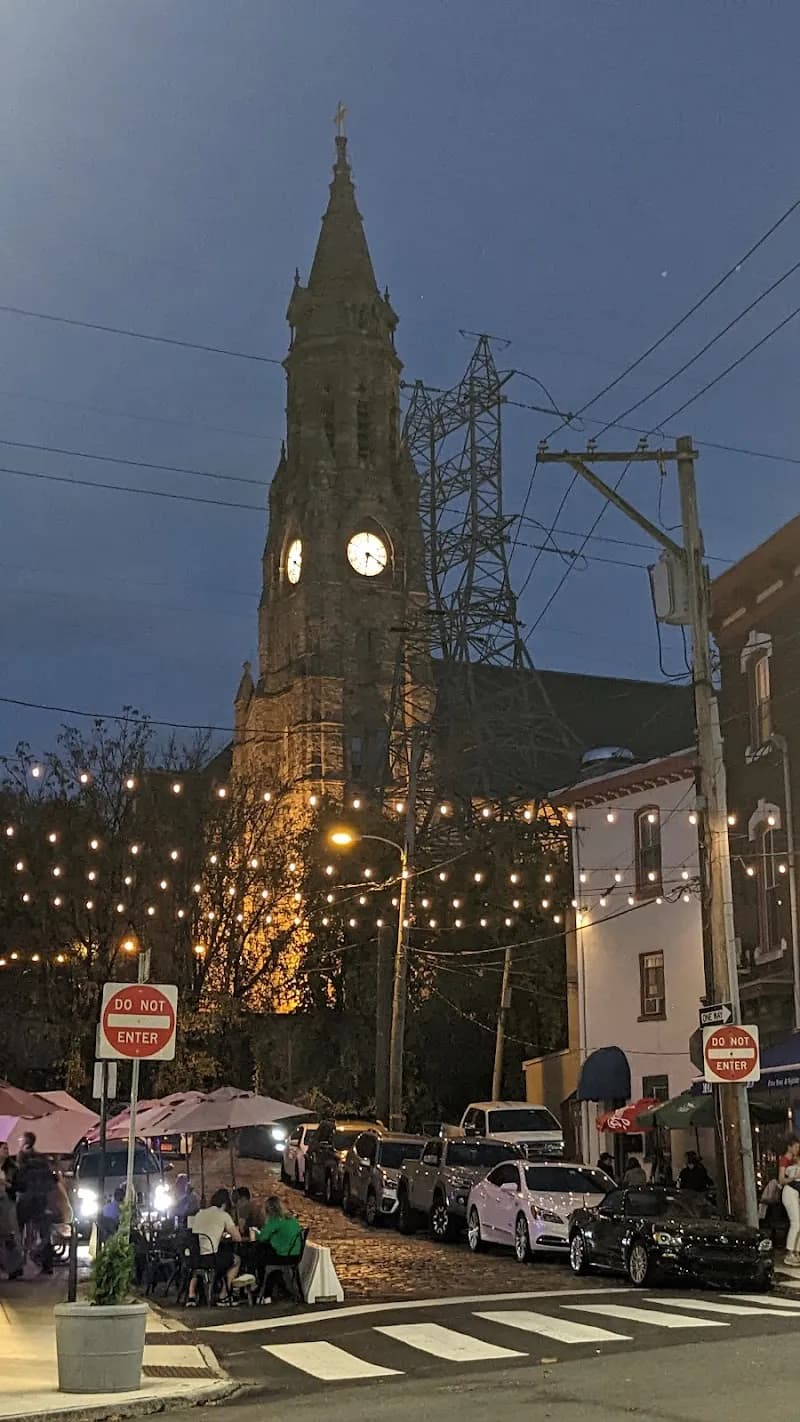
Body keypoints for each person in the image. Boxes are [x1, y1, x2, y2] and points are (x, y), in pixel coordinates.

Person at [186, 1188, 241, 1305]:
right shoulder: (223, 1215)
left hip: (195, 1257)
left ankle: (191, 1295)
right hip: (211, 1258)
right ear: (225, 1204)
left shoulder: (200, 1213)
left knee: (204, 1265)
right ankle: (224, 1295)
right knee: (236, 1260)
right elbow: (238, 1238)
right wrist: (225, 1235)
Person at [15, 1132, 55, 1271]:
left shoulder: (22, 1160)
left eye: (20, 1139)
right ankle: (47, 1264)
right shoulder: (42, 1160)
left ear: (26, 1143)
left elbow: (18, 1181)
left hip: (26, 1200)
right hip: (42, 1200)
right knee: (44, 1233)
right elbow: (51, 1181)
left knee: (16, 1232)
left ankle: (18, 1264)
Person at [778, 1138, 800, 1264]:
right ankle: (790, 1252)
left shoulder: (793, 1160)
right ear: (789, 1147)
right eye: (796, 1147)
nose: (797, 1149)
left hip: (795, 1192)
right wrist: (794, 1177)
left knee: (799, 1223)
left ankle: (796, 1252)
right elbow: (781, 1180)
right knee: (795, 1222)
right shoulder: (784, 1160)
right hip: (789, 1192)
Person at [0, 1177, 23, 1279]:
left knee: (8, 1238)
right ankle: (14, 1268)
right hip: (5, 1202)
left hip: (5, 1201)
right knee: (8, 1239)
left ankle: (14, 1268)